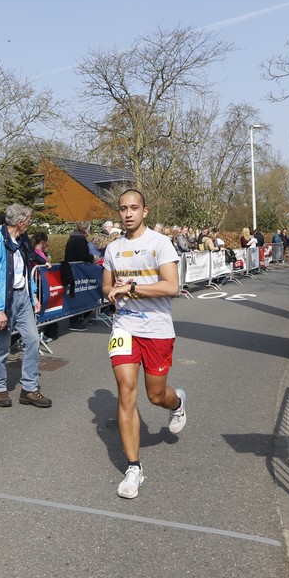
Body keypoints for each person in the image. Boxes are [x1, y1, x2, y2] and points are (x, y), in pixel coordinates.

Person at [103, 189, 184, 500]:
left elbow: (172, 286)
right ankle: (134, 468)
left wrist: (133, 287)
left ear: (144, 211)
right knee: (126, 390)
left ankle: (177, 403)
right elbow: (106, 286)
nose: (128, 214)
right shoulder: (113, 248)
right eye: (123, 208)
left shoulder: (160, 243)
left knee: (155, 395)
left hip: (157, 329)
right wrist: (113, 291)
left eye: (134, 208)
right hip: (124, 326)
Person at [0, 203, 52, 409]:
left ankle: (29, 389)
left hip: (23, 297)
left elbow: (24, 269)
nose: (30, 223)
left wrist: (33, 294)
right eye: (29, 220)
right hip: (4, 300)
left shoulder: (22, 241)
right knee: (2, 345)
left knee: (33, 341)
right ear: (20, 222)